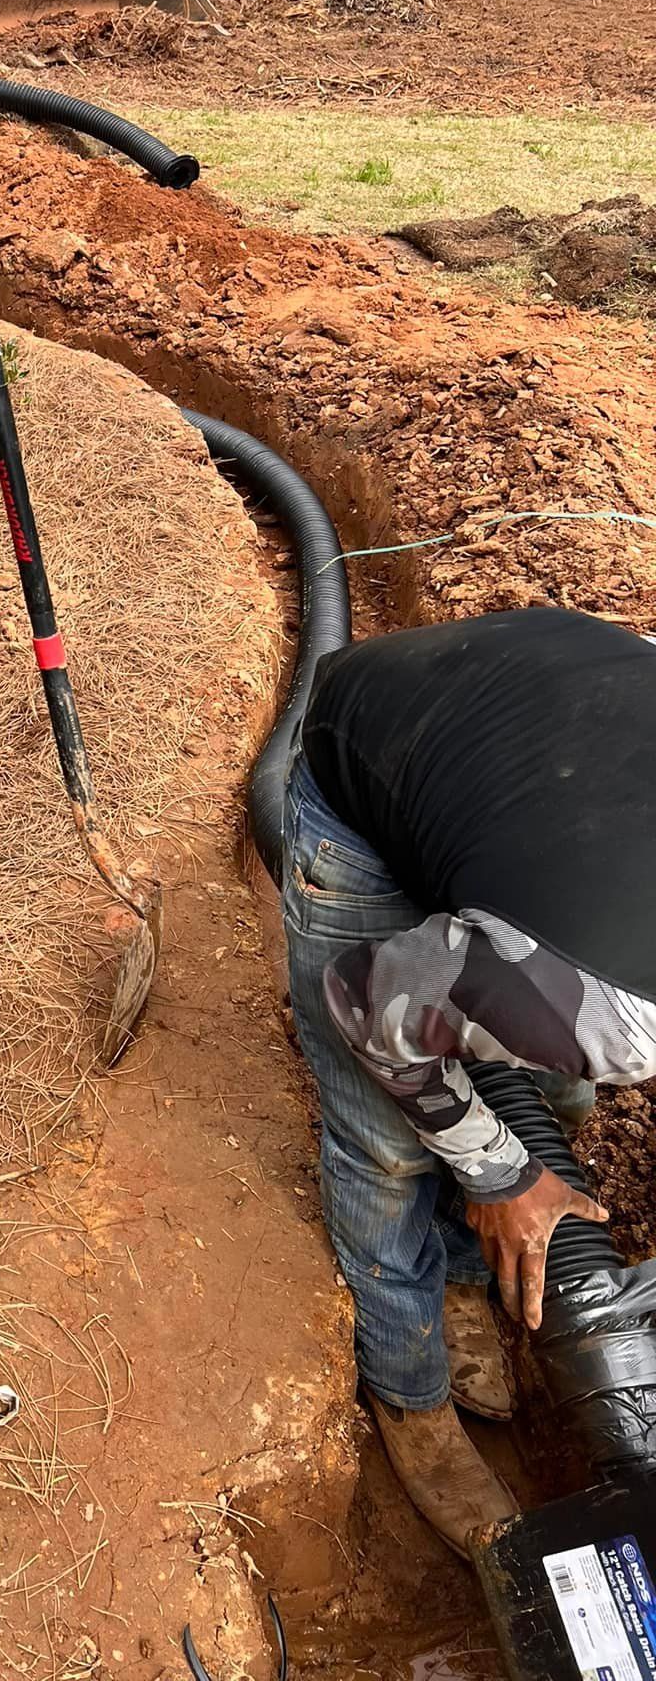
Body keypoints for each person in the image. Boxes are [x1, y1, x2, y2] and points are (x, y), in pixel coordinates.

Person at [283, 606, 656, 1556]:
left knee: (541, 1081)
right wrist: (499, 1176)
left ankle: (460, 1277)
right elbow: (366, 1002)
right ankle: (410, 1400)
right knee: (389, 1144)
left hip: (545, 749)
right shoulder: (613, 1014)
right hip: (387, 750)